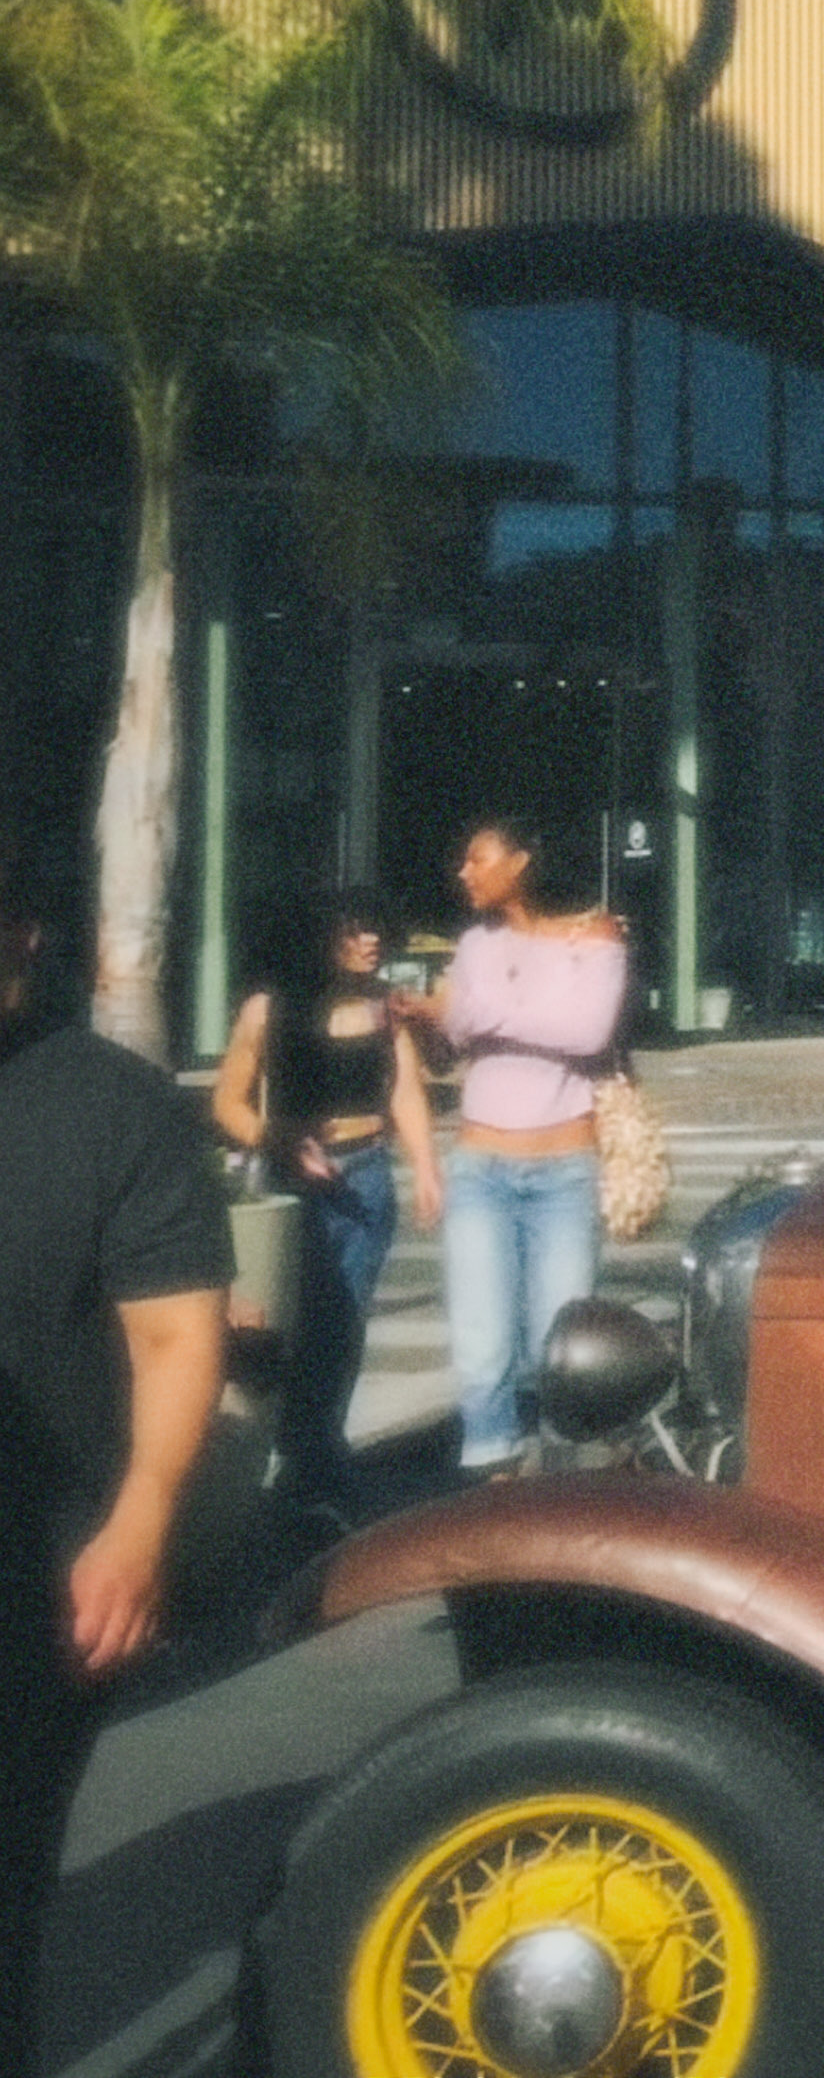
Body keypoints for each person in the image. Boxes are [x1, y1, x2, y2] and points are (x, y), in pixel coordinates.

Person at [2, 857, 230, 2075]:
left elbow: (175, 1331)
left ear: (23, 934)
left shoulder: (112, 1104)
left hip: (36, 1575)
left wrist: (140, 1521)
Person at [207, 889, 441, 1523]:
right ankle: (293, 1459)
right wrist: (278, 1137)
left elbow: (406, 1091)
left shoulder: (383, 1009)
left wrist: (425, 1169)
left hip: (364, 1178)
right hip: (292, 1184)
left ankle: (314, 1461)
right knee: (290, 1324)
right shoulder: (269, 1010)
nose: (371, 942)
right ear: (322, 938)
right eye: (354, 931)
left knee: (341, 1326)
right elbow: (228, 1102)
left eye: (376, 931)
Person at [420, 819, 630, 1475]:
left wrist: (482, 1014)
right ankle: (495, 1484)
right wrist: (446, 1017)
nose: (464, 872)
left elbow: (588, 1030)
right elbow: (453, 1033)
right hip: (481, 1168)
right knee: (482, 1346)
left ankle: (563, 1490)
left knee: (558, 1342)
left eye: (477, 858)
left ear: (520, 862)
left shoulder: (595, 937)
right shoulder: (475, 943)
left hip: (564, 1170)